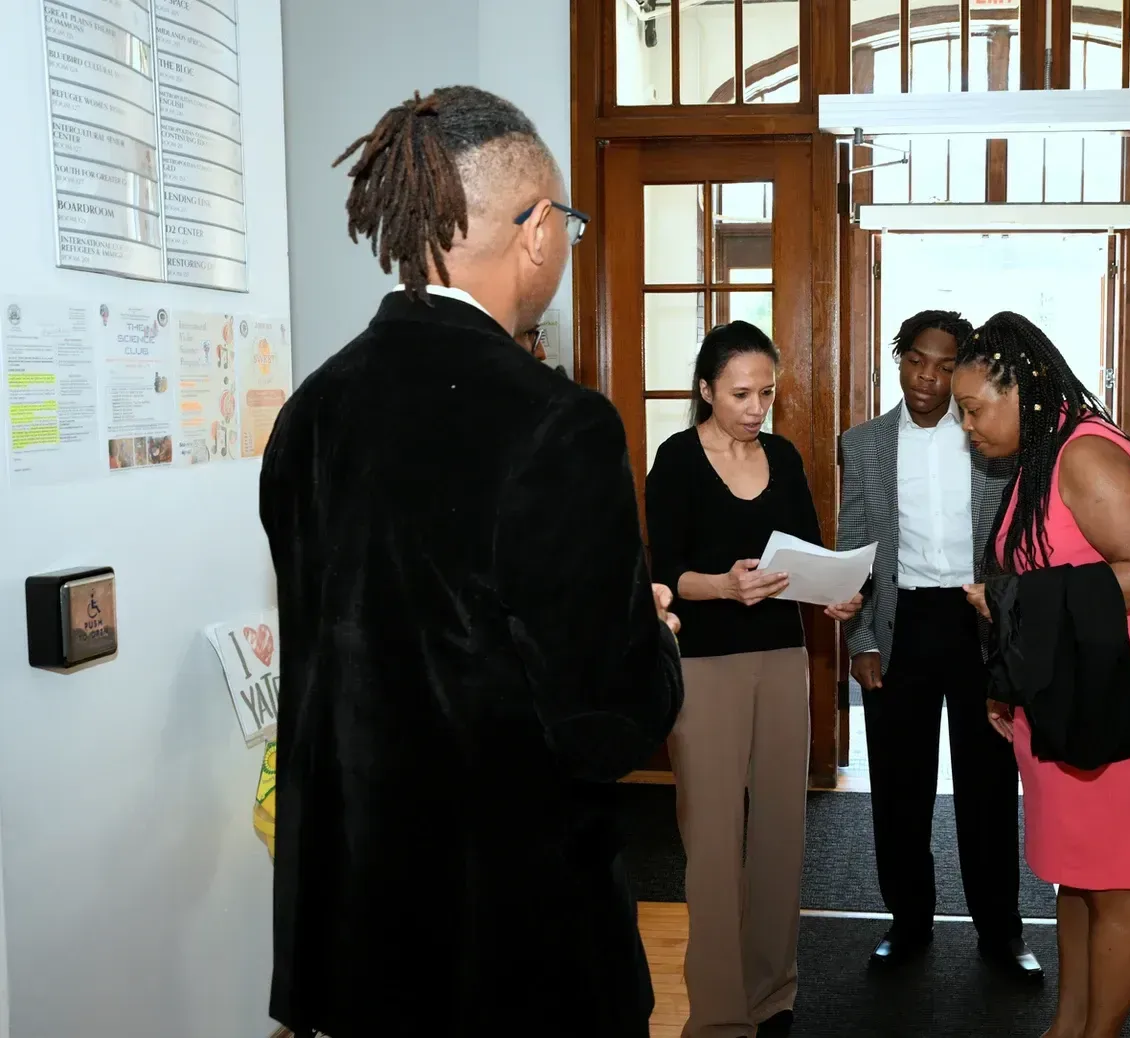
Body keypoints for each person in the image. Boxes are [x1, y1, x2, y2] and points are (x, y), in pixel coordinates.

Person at [259, 86, 685, 1038]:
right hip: (509, 948)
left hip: (356, 939)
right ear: (534, 228)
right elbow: (604, 723)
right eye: (565, 219)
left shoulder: (309, 413)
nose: (566, 243)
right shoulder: (557, 423)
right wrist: (648, 636)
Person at [954, 312, 1130, 1038]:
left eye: (974, 408)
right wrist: (1008, 684)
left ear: (1022, 389)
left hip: (1111, 699)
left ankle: (1097, 1033)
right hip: (1061, 692)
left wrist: (1011, 600)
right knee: (1074, 876)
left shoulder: (1085, 455)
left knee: (1113, 882)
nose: (967, 427)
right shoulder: (1041, 458)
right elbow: (1049, 571)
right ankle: (1069, 1025)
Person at [645, 321, 862, 1038]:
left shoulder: (785, 456)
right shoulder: (676, 460)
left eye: (766, 392)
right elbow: (663, 575)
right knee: (710, 841)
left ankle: (772, 996)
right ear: (706, 389)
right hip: (704, 665)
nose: (755, 406)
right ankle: (717, 1018)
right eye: (741, 393)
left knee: (780, 830)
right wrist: (723, 587)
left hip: (783, 657)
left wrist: (832, 592)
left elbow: (802, 552)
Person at [837, 310, 1040, 979]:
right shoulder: (863, 443)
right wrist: (860, 636)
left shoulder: (989, 436)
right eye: (916, 360)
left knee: (988, 786)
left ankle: (1001, 932)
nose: (928, 377)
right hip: (901, 625)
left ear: (964, 370)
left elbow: (1017, 543)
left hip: (977, 622)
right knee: (900, 788)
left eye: (945, 364)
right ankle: (909, 922)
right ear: (898, 360)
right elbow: (854, 546)